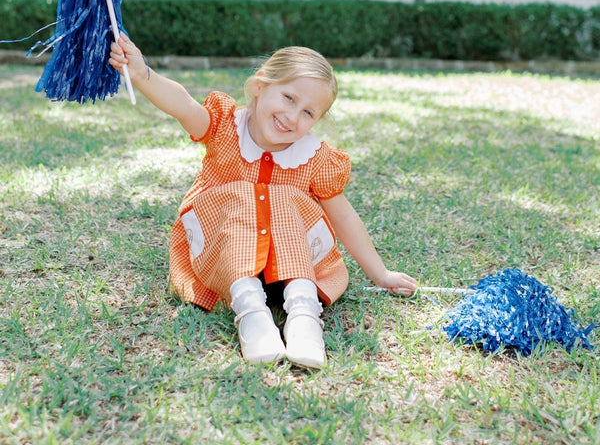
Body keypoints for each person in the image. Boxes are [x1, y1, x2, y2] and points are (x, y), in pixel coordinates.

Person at [109, 36, 418, 369]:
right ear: (259, 86)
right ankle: (251, 313)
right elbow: (183, 104)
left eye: (308, 112)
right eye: (288, 97)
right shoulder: (226, 128)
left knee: (283, 197)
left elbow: (344, 218)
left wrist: (381, 274)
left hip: (285, 269)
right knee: (246, 193)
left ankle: (303, 314)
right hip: (223, 254)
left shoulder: (313, 158)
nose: (292, 116)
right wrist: (141, 74)